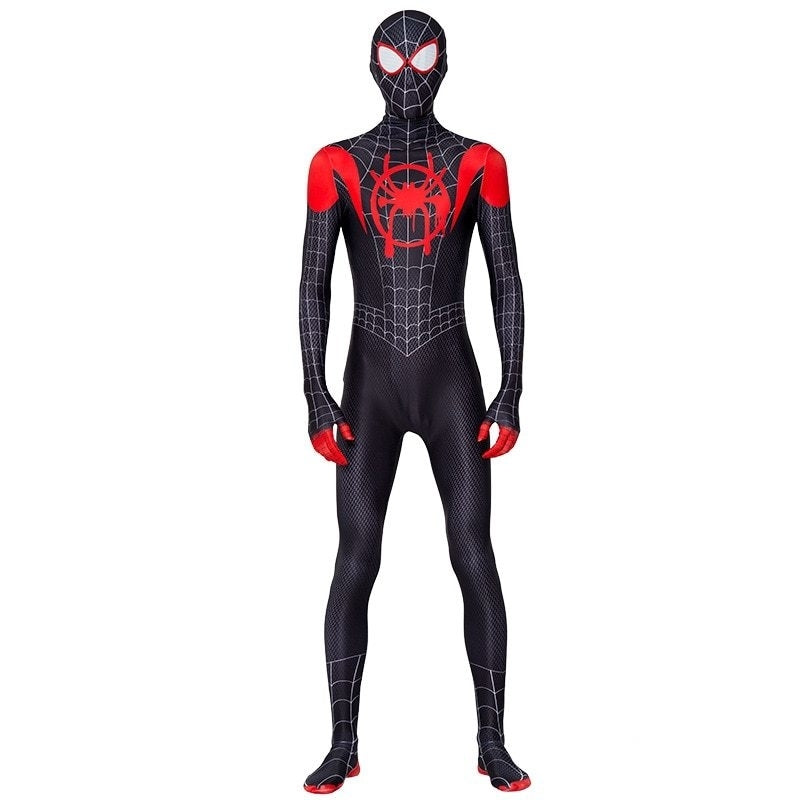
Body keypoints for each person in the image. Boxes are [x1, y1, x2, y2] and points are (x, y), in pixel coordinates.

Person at [299, 10, 530, 793]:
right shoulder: (335, 163)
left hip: (450, 381)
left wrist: (511, 390)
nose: (407, 76)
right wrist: (316, 397)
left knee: (472, 552)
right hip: (368, 384)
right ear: (371, 66)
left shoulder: (480, 162)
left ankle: (492, 741)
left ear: (445, 65)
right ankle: (342, 742)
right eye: (394, 61)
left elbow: (505, 280)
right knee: (355, 558)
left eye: (422, 58)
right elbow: (313, 285)